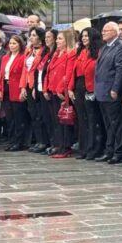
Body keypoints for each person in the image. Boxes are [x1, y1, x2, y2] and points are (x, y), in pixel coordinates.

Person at [94, 22, 122, 164]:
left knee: (117, 124)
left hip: (111, 91)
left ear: (115, 32)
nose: (103, 33)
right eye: (102, 31)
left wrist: (116, 88)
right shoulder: (105, 47)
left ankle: (119, 152)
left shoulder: (120, 47)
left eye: (106, 30)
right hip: (101, 91)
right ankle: (109, 150)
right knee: (108, 124)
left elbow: (120, 70)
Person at [70, 27, 103, 160]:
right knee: (82, 119)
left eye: (87, 36)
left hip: (91, 86)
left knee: (92, 119)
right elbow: (74, 71)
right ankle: (83, 148)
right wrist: (70, 88)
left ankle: (94, 148)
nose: (84, 38)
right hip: (79, 85)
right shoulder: (81, 52)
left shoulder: (98, 52)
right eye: (82, 36)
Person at [45, 30, 76, 159]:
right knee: (56, 120)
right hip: (52, 89)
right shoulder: (56, 54)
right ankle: (58, 144)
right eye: (57, 39)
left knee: (64, 120)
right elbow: (49, 71)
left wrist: (60, 89)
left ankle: (66, 146)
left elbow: (68, 73)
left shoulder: (70, 54)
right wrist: (46, 88)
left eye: (60, 39)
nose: (57, 41)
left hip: (61, 92)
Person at [0, 35, 31, 151]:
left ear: (20, 45)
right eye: (10, 43)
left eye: (14, 43)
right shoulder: (5, 58)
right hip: (6, 88)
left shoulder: (23, 57)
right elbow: (1, 75)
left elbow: (24, 74)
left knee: (19, 117)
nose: (12, 46)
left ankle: (19, 142)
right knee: (9, 118)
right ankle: (11, 141)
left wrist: (23, 88)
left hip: (16, 88)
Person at [20, 27, 51, 154]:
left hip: (37, 85)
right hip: (28, 85)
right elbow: (25, 70)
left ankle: (44, 141)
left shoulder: (44, 51)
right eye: (30, 35)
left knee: (40, 115)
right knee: (33, 114)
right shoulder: (29, 51)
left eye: (33, 35)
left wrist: (32, 87)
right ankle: (38, 140)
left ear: (39, 37)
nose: (31, 38)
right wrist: (23, 87)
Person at [35, 29, 57, 155]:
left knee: (52, 118)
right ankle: (49, 142)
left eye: (49, 37)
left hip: (48, 90)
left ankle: (54, 143)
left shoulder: (54, 53)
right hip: (40, 88)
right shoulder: (46, 53)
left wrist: (46, 88)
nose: (47, 39)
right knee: (45, 118)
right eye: (46, 37)